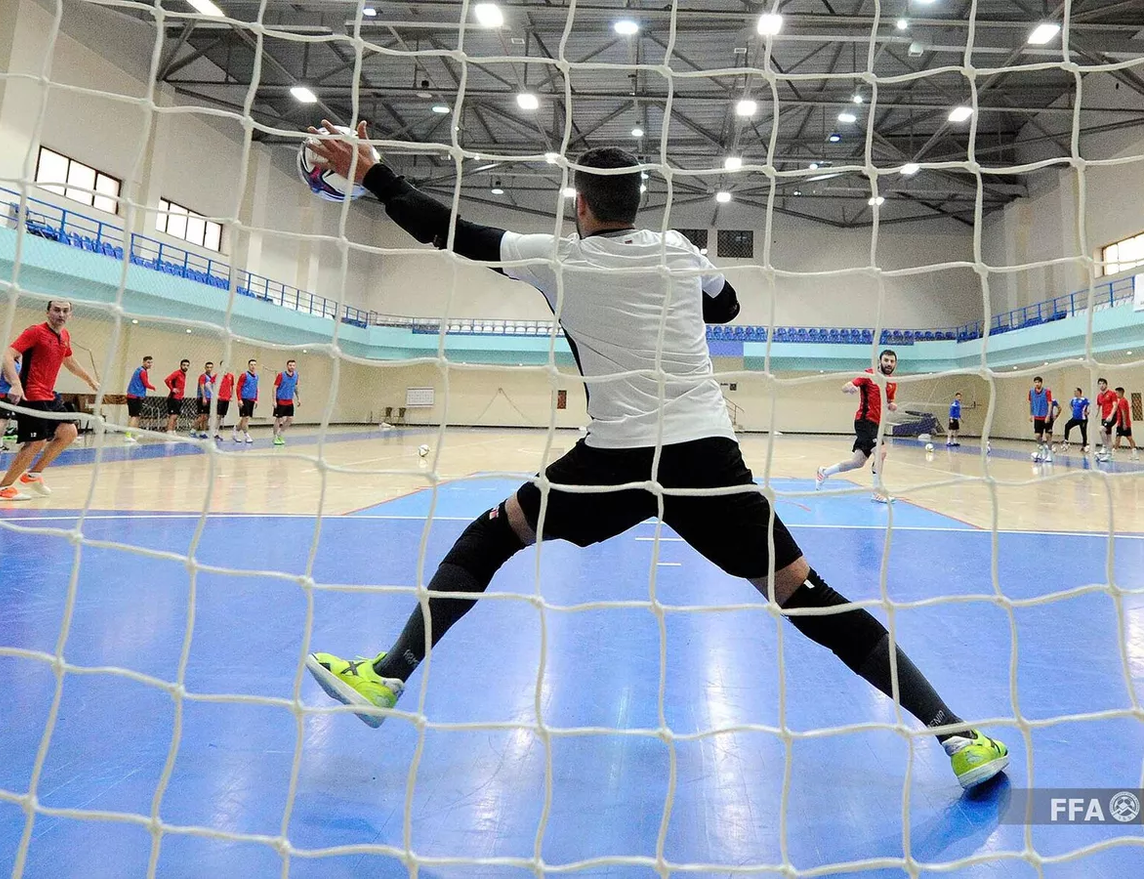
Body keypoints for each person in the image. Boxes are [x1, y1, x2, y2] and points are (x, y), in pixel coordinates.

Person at [300, 122, 1008, 790]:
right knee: (806, 594)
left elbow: (450, 232)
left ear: (579, 204)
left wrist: (377, 177)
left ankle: (390, 672)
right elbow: (725, 308)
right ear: (639, 202)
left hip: (613, 459)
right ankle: (956, 735)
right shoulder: (679, 250)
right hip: (705, 459)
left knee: (494, 533)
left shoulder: (557, 258)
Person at [0, 300, 99, 501]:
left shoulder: (65, 336)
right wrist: (15, 384)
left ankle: (33, 475)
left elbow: (69, 361)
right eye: (56, 310)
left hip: (49, 395)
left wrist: (89, 379)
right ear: (48, 312)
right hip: (31, 395)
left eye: (65, 311)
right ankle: (3, 488)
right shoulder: (35, 332)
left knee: (69, 432)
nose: (61, 314)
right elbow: (8, 355)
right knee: (36, 442)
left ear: (70, 314)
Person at [815, 349, 899, 503]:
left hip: (877, 425)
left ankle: (824, 472)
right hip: (864, 421)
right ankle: (876, 492)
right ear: (880, 361)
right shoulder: (868, 375)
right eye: (886, 360)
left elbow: (888, 400)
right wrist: (850, 388)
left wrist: (891, 405)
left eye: (892, 361)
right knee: (881, 453)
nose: (889, 363)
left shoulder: (892, 383)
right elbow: (845, 386)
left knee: (857, 462)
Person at [124, 355, 155, 444]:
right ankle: (128, 435)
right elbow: (146, 383)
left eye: (151, 362)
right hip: (135, 396)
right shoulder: (142, 372)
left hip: (134, 396)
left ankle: (135, 432)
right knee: (134, 416)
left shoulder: (139, 370)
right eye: (148, 362)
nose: (150, 364)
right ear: (143, 362)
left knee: (137, 416)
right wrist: (153, 387)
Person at [272, 359, 299, 445]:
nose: (292, 367)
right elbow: (274, 388)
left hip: (289, 401)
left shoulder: (296, 375)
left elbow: (295, 387)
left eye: (293, 365)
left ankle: (280, 434)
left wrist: (298, 398)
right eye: (290, 365)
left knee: (290, 419)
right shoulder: (281, 375)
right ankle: (275, 436)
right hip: (280, 400)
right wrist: (274, 400)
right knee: (278, 419)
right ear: (287, 366)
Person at [1027, 377, 1053, 463]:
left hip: (1046, 416)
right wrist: (1031, 414)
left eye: (1038, 382)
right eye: (1035, 382)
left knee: (1048, 436)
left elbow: (1050, 404)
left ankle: (1049, 454)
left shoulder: (1047, 392)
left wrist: (1048, 415)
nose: (1037, 384)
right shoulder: (1031, 392)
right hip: (1037, 417)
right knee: (1037, 436)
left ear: (1041, 383)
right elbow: (1031, 404)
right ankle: (1042, 450)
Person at [234, 359, 259, 443]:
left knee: (244, 418)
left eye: (254, 364)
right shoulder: (244, 375)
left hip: (251, 399)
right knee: (246, 418)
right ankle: (247, 435)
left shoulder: (256, 376)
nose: (253, 366)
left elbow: (256, 388)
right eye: (251, 364)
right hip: (244, 399)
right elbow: (238, 387)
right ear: (248, 365)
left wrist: (256, 399)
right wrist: (239, 399)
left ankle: (235, 432)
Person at [163, 359, 189, 436]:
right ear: (180, 365)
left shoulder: (183, 374)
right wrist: (172, 389)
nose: (185, 367)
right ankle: (169, 432)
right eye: (184, 365)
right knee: (173, 415)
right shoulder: (177, 373)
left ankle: (173, 431)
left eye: (187, 365)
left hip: (179, 398)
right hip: (174, 397)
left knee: (176, 416)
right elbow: (167, 380)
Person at [1095, 378, 1118, 462]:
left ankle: (1104, 447)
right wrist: (1094, 416)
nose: (1101, 385)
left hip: (1111, 417)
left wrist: (1111, 415)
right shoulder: (1099, 396)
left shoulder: (1112, 394)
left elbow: (1115, 405)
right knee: (1108, 437)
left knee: (1101, 429)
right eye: (1099, 384)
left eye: (1102, 383)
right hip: (1104, 417)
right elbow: (1098, 407)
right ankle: (1109, 455)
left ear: (1106, 384)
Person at [1060, 388, 1089, 453]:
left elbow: (1090, 406)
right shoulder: (1074, 399)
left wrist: (1088, 412)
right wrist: (1073, 410)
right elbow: (1070, 405)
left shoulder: (1084, 400)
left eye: (1075, 392)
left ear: (1079, 392)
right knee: (1067, 426)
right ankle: (1066, 441)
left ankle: (1084, 446)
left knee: (1083, 432)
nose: (1074, 393)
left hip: (1083, 419)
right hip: (1075, 418)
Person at [1113, 387, 1138, 458]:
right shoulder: (1124, 401)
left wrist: (1124, 423)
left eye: (1117, 393)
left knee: (1120, 438)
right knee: (1126, 438)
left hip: (1122, 423)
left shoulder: (1122, 401)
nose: (1116, 394)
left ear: (1121, 393)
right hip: (1124, 423)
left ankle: (1113, 453)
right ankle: (1135, 454)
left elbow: (1123, 412)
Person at [193, 361, 215, 439]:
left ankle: (203, 432)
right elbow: (202, 387)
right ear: (205, 368)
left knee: (206, 417)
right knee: (202, 416)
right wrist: (204, 397)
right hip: (203, 398)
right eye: (207, 367)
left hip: (209, 398)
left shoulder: (211, 377)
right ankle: (192, 431)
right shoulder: (203, 376)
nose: (209, 369)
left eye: (210, 367)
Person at [213, 363, 234, 441]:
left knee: (222, 416)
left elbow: (232, 387)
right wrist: (215, 394)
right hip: (219, 399)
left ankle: (217, 432)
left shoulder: (230, 376)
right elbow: (210, 384)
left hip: (227, 399)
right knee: (218, 416)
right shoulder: (217, 375)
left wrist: (231, 396)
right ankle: (214, 432)